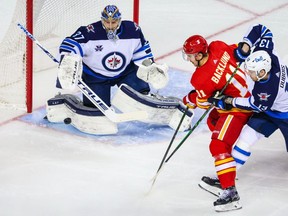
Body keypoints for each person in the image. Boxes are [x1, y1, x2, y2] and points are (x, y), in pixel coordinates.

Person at [181, 35, 253, 212]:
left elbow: (203, 103)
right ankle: (226, 173)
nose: (188, 59)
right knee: (213, 120)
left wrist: (189, 98)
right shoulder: (217, 46)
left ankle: (230, 192)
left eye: (190, 56)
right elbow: (236, 53)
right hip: (245, 94)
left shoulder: (199, 78)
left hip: (237, 109)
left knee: (218, 144)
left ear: (198, 55)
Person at [209, 24, 288, 173]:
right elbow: (262, 30)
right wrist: (245, 46)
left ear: (262, 72)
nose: (248, 74)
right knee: (246, 138)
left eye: (251, 72)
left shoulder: (267, 90)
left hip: (284, 114)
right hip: (272, 110)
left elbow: (253, 105)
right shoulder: (268, 54)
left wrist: (228, 101)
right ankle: (229, 175)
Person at [56, 5, 158, 107]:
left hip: (125, 73)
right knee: (96, 109)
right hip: (95, 76)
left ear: (119, 20)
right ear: (102, 20)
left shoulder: (132, 30)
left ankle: (145, 97)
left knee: (142, 97)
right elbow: (70, 44)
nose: (110, 25)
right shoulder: (90, 32)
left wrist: (150, 66)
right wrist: (68, 60)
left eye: (113, 22)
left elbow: (141, 50)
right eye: (106, 22)